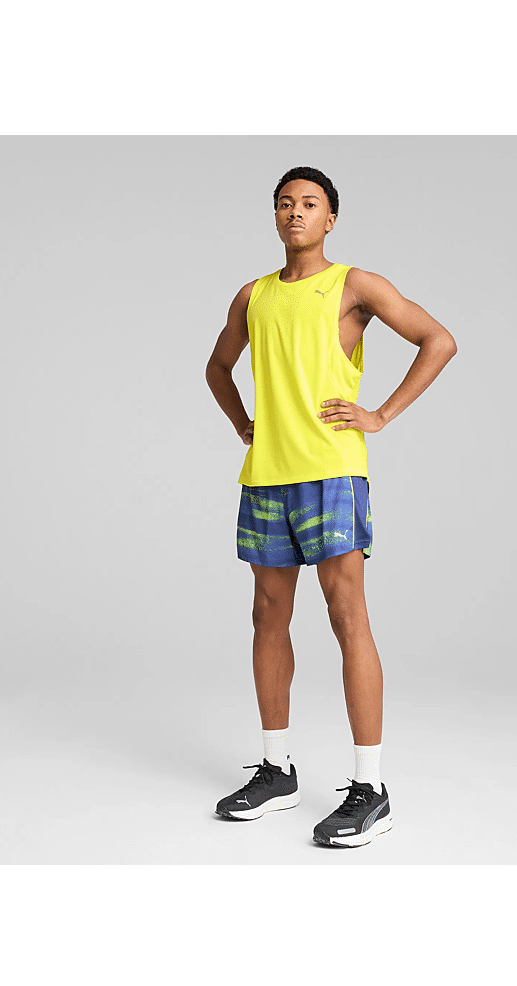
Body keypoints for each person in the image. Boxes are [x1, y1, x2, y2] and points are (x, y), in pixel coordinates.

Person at [205, 166, 457, 848]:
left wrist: (381, 414)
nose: (296, 212)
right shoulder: (253, 295)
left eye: (309, 204)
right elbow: (217, 367)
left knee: (347, 616)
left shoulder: (353, 286)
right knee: (267, 615)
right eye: (285, 203)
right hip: (267, 476)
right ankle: (277, 771)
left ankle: (371, 789)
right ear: (275, 216)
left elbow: (438, 340)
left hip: (332, 473)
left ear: (330, 218)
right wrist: (242, 424)